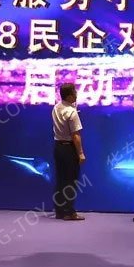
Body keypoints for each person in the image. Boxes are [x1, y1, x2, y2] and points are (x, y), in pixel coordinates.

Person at [52, 83, 86, 221]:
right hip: (69, 148)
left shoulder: (56, 107)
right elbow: (75, 135)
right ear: (70, 96)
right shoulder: (72, 112)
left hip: (58, 147)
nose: (76, 94)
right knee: (71, 180)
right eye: (74, 92)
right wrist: (80, 153)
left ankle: (59, 210)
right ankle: (69, 211)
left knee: (61, 179)